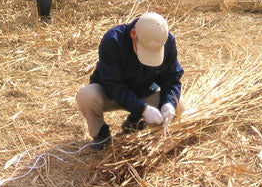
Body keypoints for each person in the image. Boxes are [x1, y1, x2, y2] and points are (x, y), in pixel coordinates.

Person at [76, 12, 184, 150]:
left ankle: (135, 122)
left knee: (179, 105)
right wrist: (142, 108)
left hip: (144, 93)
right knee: (86, 96)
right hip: (111, 94)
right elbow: (113, 85)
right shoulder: (113, 40)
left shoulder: (167, 41)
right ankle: (101, 134)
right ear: (133, 35)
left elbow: (172, 78)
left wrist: (168, 103)